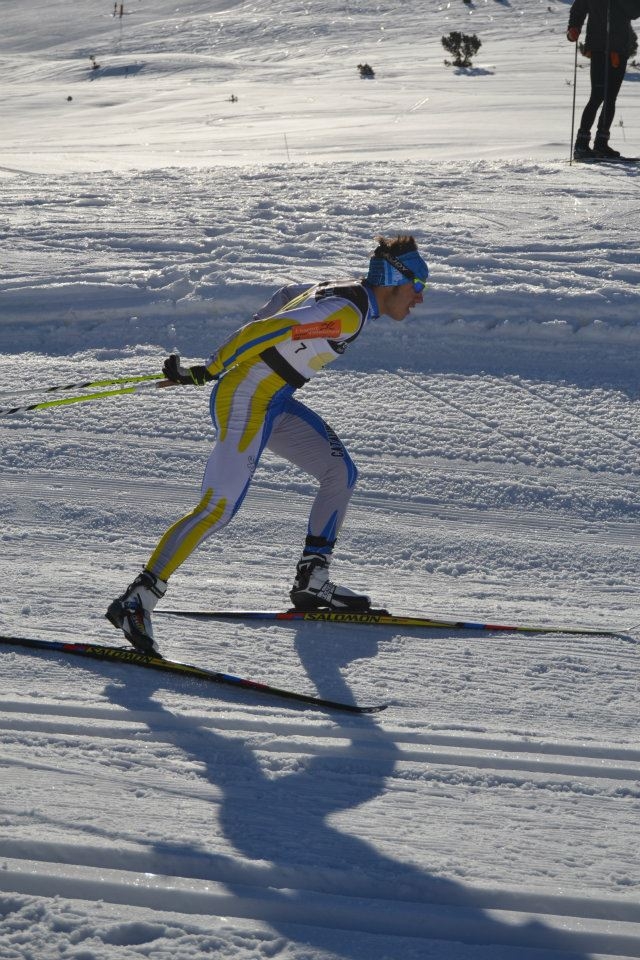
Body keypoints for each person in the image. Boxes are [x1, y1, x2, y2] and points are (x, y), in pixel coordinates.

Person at [106, 235, 429, 656]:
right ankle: (138, 600)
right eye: (417, 286)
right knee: (217, 508)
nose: (419, 299)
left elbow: (285, 298)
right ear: (394, 281)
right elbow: (269, 327)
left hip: (272, 400)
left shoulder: (346, 293)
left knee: (339, 472)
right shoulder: (347, 314)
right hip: (247, 403)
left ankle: (313, 579)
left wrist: (225, 363)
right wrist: (214, 367)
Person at [567, 0, 640, 160]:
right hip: (599, 48)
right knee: (598, 95)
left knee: (610, 97)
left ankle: (601, 143)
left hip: (620, 49)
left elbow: (635, 12)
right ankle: (581, 144)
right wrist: (574, 28)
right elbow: (578, 9)